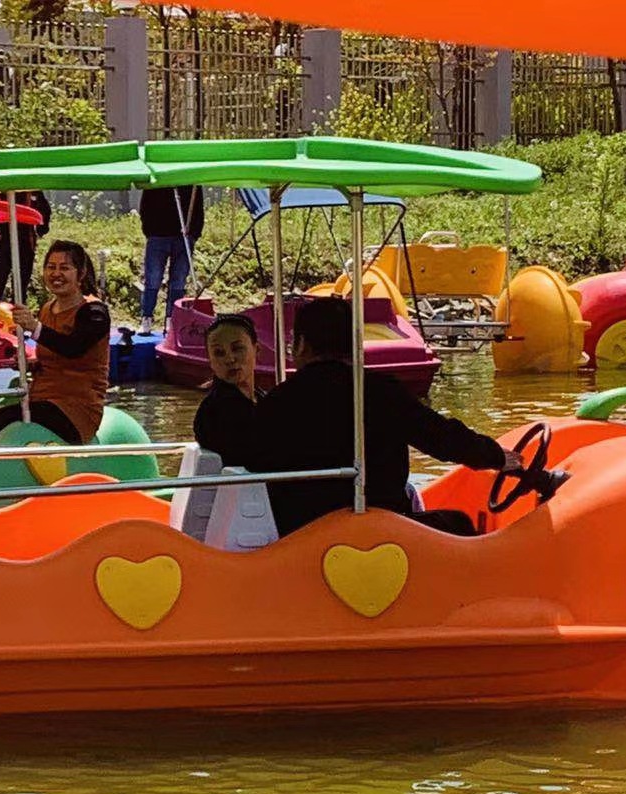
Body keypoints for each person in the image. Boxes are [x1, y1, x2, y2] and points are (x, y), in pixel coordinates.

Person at [250, 297, 519, 537]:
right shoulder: (381, 391)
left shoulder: (275, 401)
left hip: (298, 533)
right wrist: (494, 455)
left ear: (300, 345)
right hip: (381, 530)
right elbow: (440, 437)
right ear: (355, 344)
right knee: (459, 523)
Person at [0, 240, 110, 447]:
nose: (56, 274)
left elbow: (73, 349)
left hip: (75, 408)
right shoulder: (47, 308)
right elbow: (55, 356)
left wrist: (34, 327)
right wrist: (31, 364)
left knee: (4, 418)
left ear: (81, 273)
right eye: (51, 267)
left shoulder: (94, 313)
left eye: (64, 268)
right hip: (41, 398)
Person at [193, 313, 263, 468]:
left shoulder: (264, 399)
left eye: (237, 349)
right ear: (210, 361)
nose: (230, 359)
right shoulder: (215, 411)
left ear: (256, 349)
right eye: (219, 353)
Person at [138, 185, 203, 336]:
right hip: (157, 235)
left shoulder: (192, 181)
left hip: (184, 235)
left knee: (179, 280)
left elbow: (198, 206)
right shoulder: (157, 179)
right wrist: (149, 230)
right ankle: (146, 317)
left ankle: (172, 320)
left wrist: (194, 233)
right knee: (153, 277)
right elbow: (145, 204)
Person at [0, 191, 52, 310]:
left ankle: (18, 318)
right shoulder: (1, 189)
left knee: (20, 287)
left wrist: (41, 230)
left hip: (26, 243)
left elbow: (45, 210)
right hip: (4, 241)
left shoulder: (31, 190)